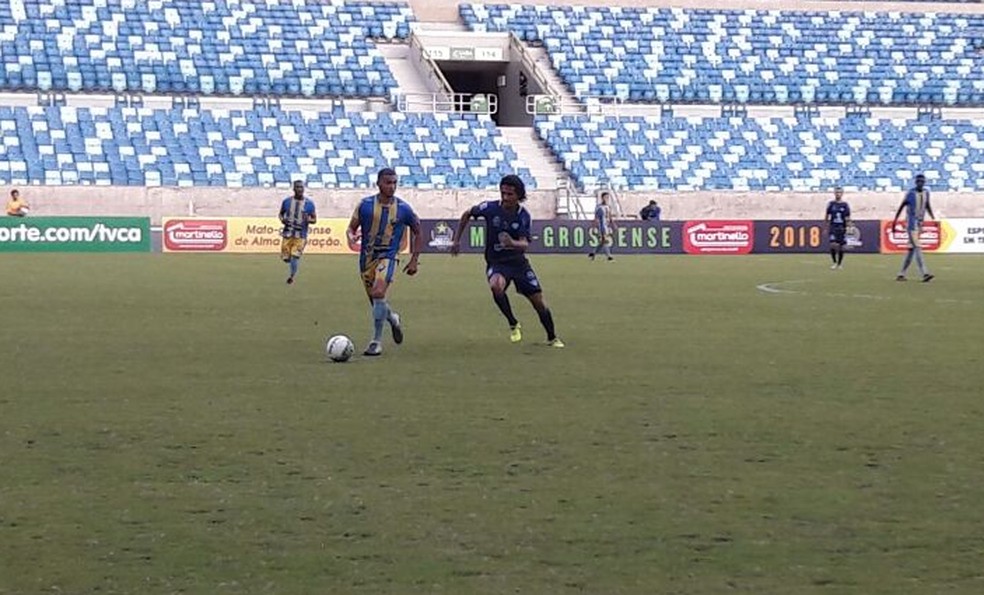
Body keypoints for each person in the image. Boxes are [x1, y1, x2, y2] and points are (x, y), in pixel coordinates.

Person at [451, 174, 564, 348]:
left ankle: (552, 337)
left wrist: (512, 243)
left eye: (510, 194)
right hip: (497, 263)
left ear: (519, 195)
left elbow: (525, 243)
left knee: (538, 302)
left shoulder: (523, 215)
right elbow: (467, 214)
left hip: (518, 264)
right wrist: (457, 240)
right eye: (503, 193)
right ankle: (513, 323)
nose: (505, 198)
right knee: (496, 286)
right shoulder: (489, 208)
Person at [347, 168, 422, 356]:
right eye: (388, 183)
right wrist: (351, 236)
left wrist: (414, 260)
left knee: (379, 291)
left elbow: (418, 231)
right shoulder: (365, 205)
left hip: (388, 257)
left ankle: (376, 341)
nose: (392, 186)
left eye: (395, 183)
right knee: (376, 301)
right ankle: (393, 318)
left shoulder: (403, 208)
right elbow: (351, 228)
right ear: (378, 183)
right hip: (367, 259)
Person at [892, 173, 935, 283]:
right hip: (911, 224)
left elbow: (927, 205)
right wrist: (895, 221)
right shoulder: (911, 193)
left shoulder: (926, 193)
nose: (921, 183)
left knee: (911, 250)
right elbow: (902, 206)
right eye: (919, 181)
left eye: (922, 181)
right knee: (918, 247)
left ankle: (901, 274)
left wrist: (933, 218)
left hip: (920, 224)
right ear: (916, 182)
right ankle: (925, 273)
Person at [278, 179, 317, 285]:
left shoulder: (309, 204)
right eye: (298, 187)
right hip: (288, 233)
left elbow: (314, 220)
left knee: (295, 256)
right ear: (294, 189)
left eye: (301, 187)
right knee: (286, 258)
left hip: (301, 236)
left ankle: (292, 276)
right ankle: (289, 260)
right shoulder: (287, 202)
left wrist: (308, 220)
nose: (300, 189)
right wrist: (282, 219)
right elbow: (281, 214)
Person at [825, 186, 851, 269]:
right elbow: (827, 215)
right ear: (834, 193)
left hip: (841, 227)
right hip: (833, 227)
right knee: (832, 244)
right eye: (836, 192)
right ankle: (834, 262)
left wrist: (848, 227)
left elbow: (847, 217)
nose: (838, 194)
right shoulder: (831, 204)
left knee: (841, 246)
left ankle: (839, 264)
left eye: (839, 193)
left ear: (842, 194)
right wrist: (826, 226)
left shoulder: (845, 205)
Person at [587, 191, 616, 261]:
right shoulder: (599, 207)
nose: (607, 199)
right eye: (606, 197)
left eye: (608, 197)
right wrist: (594, 227)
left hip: (607, 226)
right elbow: (596, 218)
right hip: (602, 227)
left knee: (602, 242)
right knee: (605, 240)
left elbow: (610, 216)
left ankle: (593, 253)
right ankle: (609, 256)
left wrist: (613, 224)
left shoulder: (608, 207)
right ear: (602, 198)